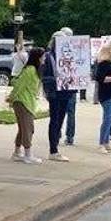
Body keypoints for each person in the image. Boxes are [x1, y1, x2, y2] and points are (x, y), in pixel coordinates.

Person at [40, 30, 73, 162]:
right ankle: (53, 150)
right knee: (55, 119)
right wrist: (56, 80)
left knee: (60, 119)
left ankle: (55, 146)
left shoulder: (68, 56)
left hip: (66, 91)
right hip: (55, 92)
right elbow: (43, 76)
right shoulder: (48, 57)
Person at [8, 47, 45, 164]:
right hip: (23, 102)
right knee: (28, 129)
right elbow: (19, 85)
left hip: (27, 102)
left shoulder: (33, 70)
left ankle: (17, 152)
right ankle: (28, 155)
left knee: (23, 128)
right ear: (38, 58)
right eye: (43, 57)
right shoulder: (30, 70)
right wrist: (12, 97)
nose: (44, 59)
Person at [94, 44, 111, 154]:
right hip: (107, 94)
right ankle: (101, 143)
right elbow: (100, 78)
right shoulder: (103, 64)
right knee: (108, 118)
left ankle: (106, 142)